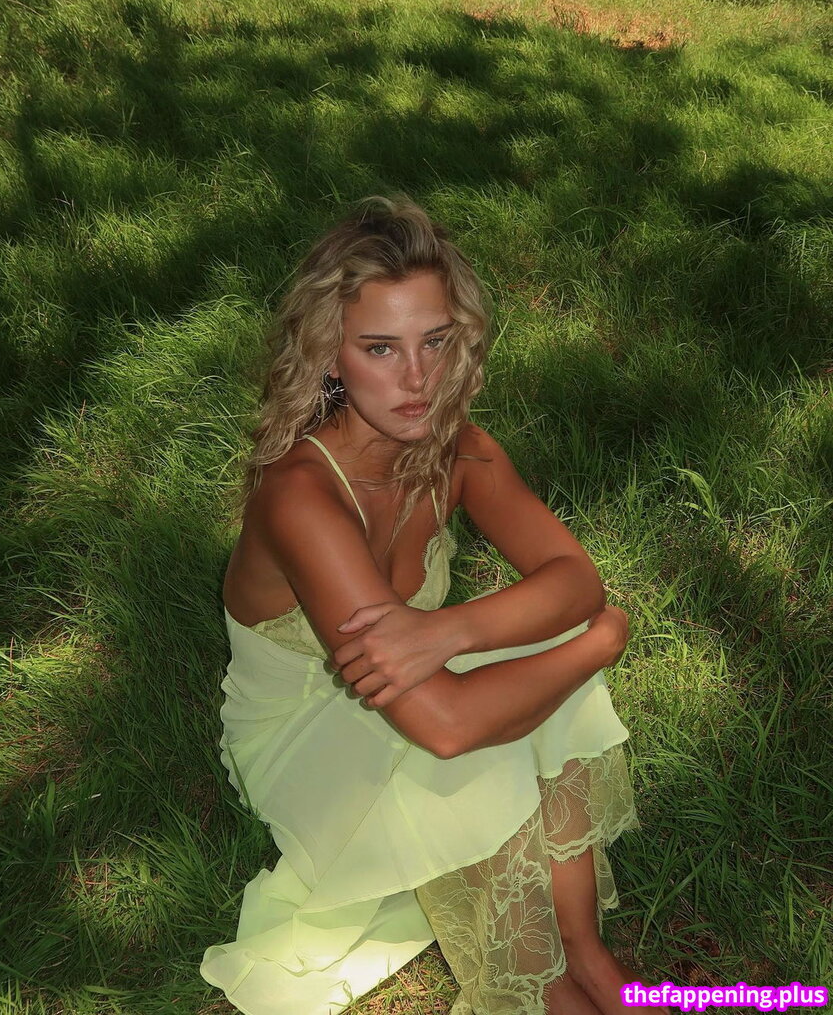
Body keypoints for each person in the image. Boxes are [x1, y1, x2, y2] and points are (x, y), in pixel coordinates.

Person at [200, 194, 666, 1015]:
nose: (416, 379)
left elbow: (573, 579)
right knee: (491, 742)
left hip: (412, 686)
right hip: (301, 736)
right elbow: (445, 726)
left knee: (539, 672)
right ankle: (545, 987)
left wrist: (446, 629)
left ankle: (590, 957)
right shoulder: (301, 495)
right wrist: (602, 641)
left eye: (435, 342)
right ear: (330, 356)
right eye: (380, 348)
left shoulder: (460, 452)